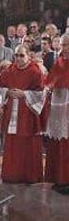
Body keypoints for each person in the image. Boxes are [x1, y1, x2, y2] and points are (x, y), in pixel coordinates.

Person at [0, 45, 46, 184]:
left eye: (21, 55)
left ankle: (29, 176)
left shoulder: (35, 71)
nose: (18, 58)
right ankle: (12, 175)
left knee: (28, 144)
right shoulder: (10, 70)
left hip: (28, 114)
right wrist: (7, 92)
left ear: (28, 56)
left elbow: (41, 94)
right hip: (12, 110)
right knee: (12, 144)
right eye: (16, 55)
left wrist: (24, 94)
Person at [44, 34, 69, 192]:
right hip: (58, 107)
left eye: (68, 45)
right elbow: (51, 80)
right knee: (58, 142)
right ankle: (60, 178)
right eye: (63, 45)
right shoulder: (59, 62)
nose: (65, 48)